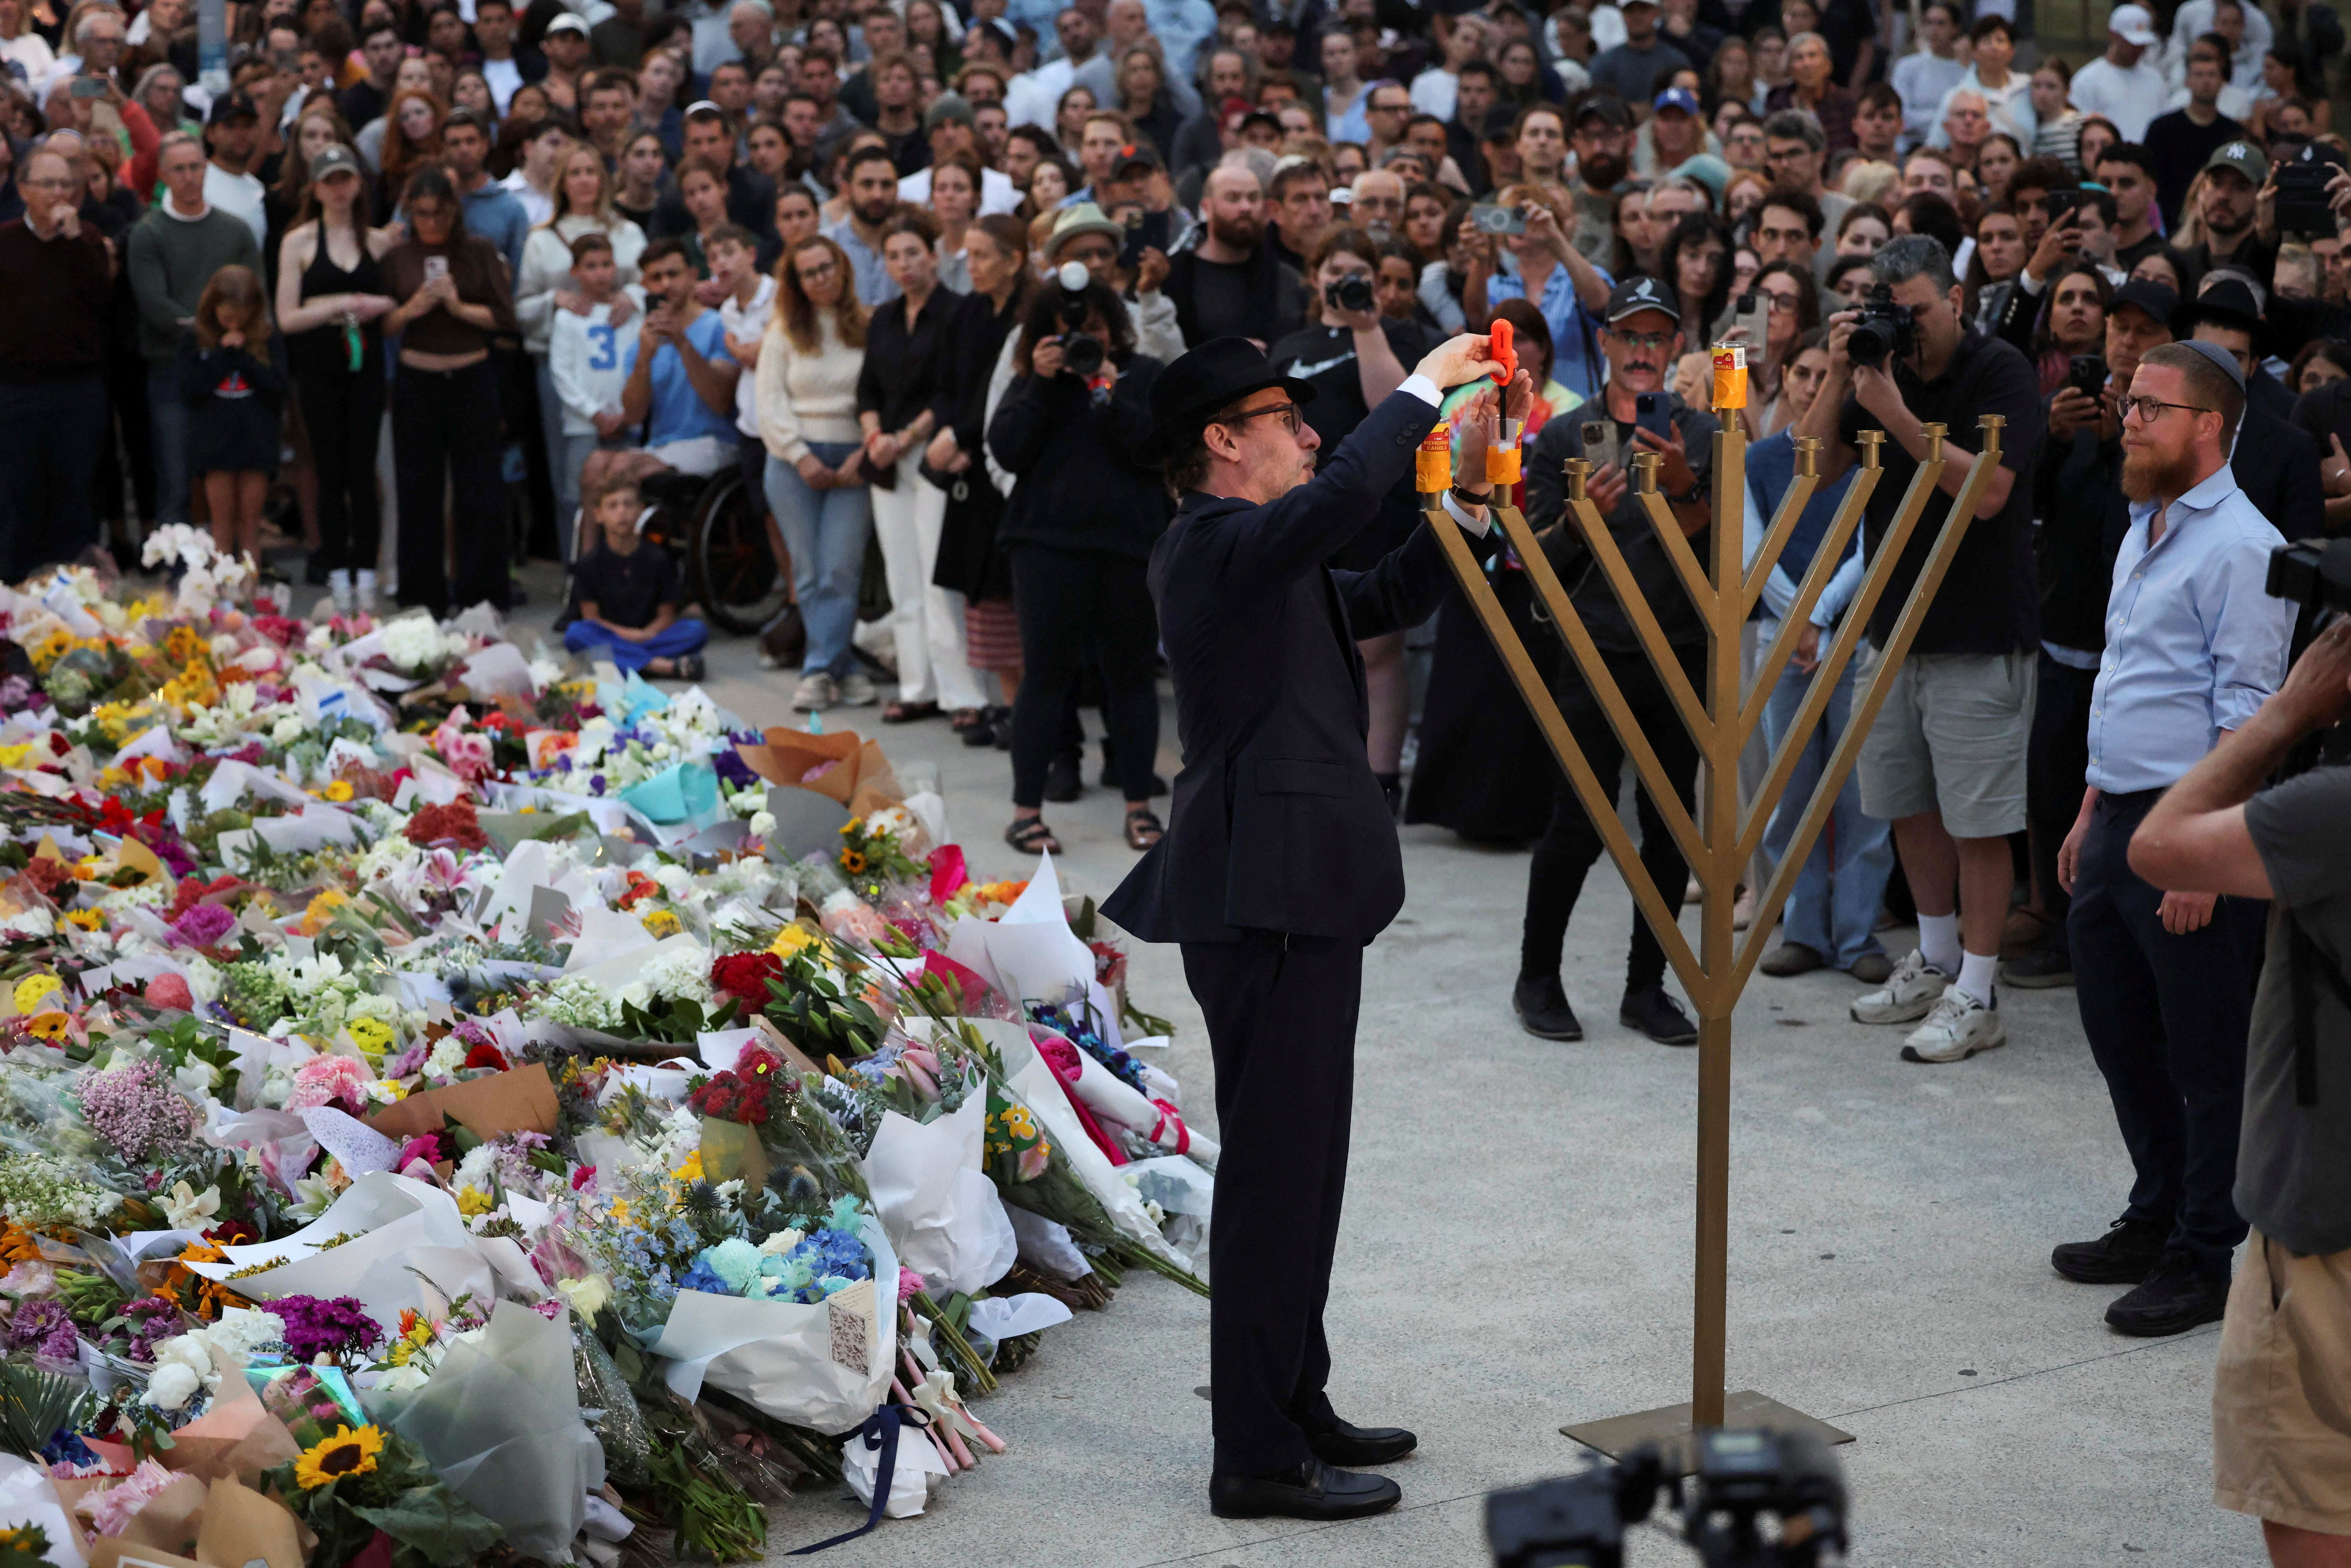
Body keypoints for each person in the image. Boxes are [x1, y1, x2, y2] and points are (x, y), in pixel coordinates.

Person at [1099, 328, 1516, 1523]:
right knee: (1279, 1176)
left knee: (1304, 1166)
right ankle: (1255, 1455)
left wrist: (1471, 505)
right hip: (1264, 893)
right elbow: (1339, 503)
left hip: (1299, 888)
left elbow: (1376, 591)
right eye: (1285, 416)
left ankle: (1295, 1398)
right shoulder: (1210, 546)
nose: (1310, 432)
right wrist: (1425, 395)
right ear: (1223, 442)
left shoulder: (1260, 556)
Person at [2050, 340, 2293, 1336]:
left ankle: (2202, 1253)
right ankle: (2151, 1212)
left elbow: (2251, 719)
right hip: (2116, 820)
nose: (2127, 417)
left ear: (2206, 425)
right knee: (2118, 1033)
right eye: (2125, 401)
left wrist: (2206, 850)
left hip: (2188, 831)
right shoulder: (2141, 526)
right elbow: (2124, 681)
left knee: (2203, 1056)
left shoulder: (2241, 545)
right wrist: (2085, 812)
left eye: (2149, 406)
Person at [2128, 618, 2351, 1567]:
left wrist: (2280, 717)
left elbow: (2160, 846)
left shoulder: (2331, 811)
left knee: (2310, 1493)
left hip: (2323, 1228)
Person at [1794, 235, 2046, 1063]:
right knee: (1905, 801)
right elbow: (1808, 467)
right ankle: (1934, 955)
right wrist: (1840, 374)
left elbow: (1991, 492)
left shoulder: (1998, 369)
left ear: (1956, 300)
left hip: (1975, 633)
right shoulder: (1870, 368)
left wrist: (1898, 414)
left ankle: (1976, 989)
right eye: (1891, 313)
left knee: (1977, 820)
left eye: (1919, 312)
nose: (1908, 330)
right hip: (1890, 627)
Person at [1512, 276, 1720, 1047]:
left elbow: (1721, 543)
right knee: (1580, 820)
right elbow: (1533, 559)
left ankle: (1646, 985)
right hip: (1593, 651)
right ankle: (1538, 975)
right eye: (1627, 335)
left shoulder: (1701, 434)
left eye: (1655, 338)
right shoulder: (1566, 437)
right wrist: (1579, 523)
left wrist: (1683, 485)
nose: (1641, 350)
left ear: (1673, 348)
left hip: (1680, 651)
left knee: (1671, 827)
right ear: (1603, 342)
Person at [2006, 277, 2179, 991]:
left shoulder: (2163, 426)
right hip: (2061, 631)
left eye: (2143, 330)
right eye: (2119, 328)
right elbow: (2029, 502)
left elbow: (2136, 523)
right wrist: (2055, 436)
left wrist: (2116, 447)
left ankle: (2115, 935)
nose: (2126, 340)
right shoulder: (2066, 410)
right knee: (2049, 786)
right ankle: (2057, 921)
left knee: (2117, 791)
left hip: (2128, 646)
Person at [987, 274, 1170, 853]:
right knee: (1045, 675)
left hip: (1128, 545)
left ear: (1113, 327)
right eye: (1069, 331)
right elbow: (1006, 449)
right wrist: (1041, 384)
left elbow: (1157, 451)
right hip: (1045, 545)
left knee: (1132, 675)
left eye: (1093, 328)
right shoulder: (1033, 381)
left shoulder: (1141, 376)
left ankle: (1139, 806)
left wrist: (1107, 390)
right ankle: (1026, 813)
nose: (1083, 340)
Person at [1267, 226, 1440, 812]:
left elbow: (1394, 407)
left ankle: (1380, 780)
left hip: (1375, 507)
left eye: (1356, 274)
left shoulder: (1397, 333)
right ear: (1314, 277)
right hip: (1302, 503)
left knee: (1378, 649)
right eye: (1333, 271)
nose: (1343, 283)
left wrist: (1367, 327)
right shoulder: (1291, 345)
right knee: (1297, 640)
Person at [1747, 325, 1894, 983]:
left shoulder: (1865, 454)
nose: (1812, 385)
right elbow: (1755, 551)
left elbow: (1871, 543)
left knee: (1862, 796)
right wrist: (1796, 619)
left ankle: (1858, 935)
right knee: (1791, 791)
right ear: (1785, 380)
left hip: (1853, 634)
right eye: (1802, 374)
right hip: (1784, 642)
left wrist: (1821, 616)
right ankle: (1802, 928)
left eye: (1822, 373)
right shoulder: (1759, 461)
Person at [858, 210, 985, 728]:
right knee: (902, 578)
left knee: (939, 578)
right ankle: (917, 687)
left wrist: (906, 437)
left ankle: (963, 696)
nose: (904, 264)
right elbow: (866, 389)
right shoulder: (885, 317)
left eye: (913, 253)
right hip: (885, 458)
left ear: (933, 256)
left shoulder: (958, 313)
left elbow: (952, 389)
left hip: (932, 452)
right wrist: (874, 437)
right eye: (893, 256)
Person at [382, 162, 519, 615]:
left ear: (454, 212)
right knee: (418, 489)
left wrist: (458, 307)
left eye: (440, 213)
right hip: (418, 380)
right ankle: (422, 594)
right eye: (422, 214)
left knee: (479, 489)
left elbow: (504, 319)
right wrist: (414, 307)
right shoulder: (398, 256)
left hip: (471, 377)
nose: (432, 223)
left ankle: (482, 593)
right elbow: (384, 324)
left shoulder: (477, 251)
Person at [275, 144, 395, 615]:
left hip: (364, 366)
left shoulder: (380, 242)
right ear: (316, 188)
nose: (340, 188)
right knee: (329, 470)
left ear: (358, 183)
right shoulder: (299, 242)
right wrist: (342, 305)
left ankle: (366, 570)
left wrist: (377, 306)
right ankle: (337, 570)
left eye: (346, 178)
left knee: (363, 471)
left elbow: (394, 301)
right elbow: (287, 317)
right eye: (330, 180)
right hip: (320, 364)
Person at [926, 213, 1032, 747]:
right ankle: (1002, 702)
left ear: (1014, 261)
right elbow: (947, 384)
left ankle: (1026, 711)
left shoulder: (1029, 316)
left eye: (982, 255)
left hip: (1011, 472)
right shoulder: (967, 312)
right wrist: (950, 435)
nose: (971, 265)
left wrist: (965, 440)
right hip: (967, 471)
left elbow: (1009, 397)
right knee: (982, 600)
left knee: (1014, 599)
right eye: (967, 255)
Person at [759, 232, 875, 711]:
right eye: (808, 273)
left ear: (842, 268)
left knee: (840, 571)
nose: (820, 279)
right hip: (793, 463)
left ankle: (817, 669)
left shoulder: (869, 325)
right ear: (796, 282)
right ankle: (841, 668)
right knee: (807, 573)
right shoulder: (783, 330)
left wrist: (863, 454)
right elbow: (769, 403)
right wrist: (799, 453)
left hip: (854, 461)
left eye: (826, 268)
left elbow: (879, 396)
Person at [128, 132, 263, 531]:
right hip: (175, 370)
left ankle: (236, 573)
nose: (189, 177)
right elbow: (156, 308)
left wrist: (233, 339)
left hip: (236, 369)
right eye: (179, 169)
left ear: (206, 169)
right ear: (163, 176)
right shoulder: (149, 233)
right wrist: (215, 334)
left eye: (195, 167)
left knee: (237, 478)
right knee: (177, 478)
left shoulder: (236, 231)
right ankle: (178, 573)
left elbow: (258, 296)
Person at [0, 146, 110, 580]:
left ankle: (75, 599)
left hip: (78, 391)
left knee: (76, 502)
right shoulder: (5, 241)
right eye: (48, 184)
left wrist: (75, 241)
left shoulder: (87, 242)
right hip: (16, 391)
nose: (58, 193)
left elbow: (103, 301)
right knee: (17, 502)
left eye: (66, 184)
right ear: (24, 190)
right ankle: (14, 607)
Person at [176, 263, 287, 561]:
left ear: (254, 309)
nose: (233, 318)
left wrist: (244, 357)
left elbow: (278, 388)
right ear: (213, 304)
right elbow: (191, 390)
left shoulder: (268, 338)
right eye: (226, 309)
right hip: (215, 444)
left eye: (241, 311)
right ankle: (221, 598)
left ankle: (250, 593)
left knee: (249, 525)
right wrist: (223, 355)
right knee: (221, 525)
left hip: (255, 442)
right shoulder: (194, 338)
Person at [547, 232, 645, 568]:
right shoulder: (568, 317)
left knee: (627, 500)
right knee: (580, 500)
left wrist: (626, 413)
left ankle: (625, 569)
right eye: (591, 266)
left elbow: (641, 363)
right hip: (584, 425)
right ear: (575, 272)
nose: (601, 274)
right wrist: (594, 413)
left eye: (606, 265)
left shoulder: (630, 312)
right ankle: (579, 573)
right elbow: (561, 373)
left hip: (627, 420)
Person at [565, 475, 710, 677]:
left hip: (649, 636)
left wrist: (645, 634)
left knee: (696, 630)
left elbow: (667, 615)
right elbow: (593, 619)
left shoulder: (658, 558)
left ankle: (623, 662)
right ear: (599, 515)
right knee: (576, 634)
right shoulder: (589, 564)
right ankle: (662, 667)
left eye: (628, 504)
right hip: (612, 635)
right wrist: (627, 635)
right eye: (613, 506)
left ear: (641, 509)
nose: (622, 512)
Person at [1163, 161, 1303, 347]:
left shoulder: (1287, 279)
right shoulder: (1174, 276)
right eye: (1233, 198)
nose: (1245, 207)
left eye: (1253, 198)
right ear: (1207, 208)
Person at [2067, 4, 2170, 144]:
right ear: (2113, 35)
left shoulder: (2155, 79)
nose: (2138, 49)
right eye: (2131, 43)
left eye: (2142, 43)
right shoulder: (2087, 80)